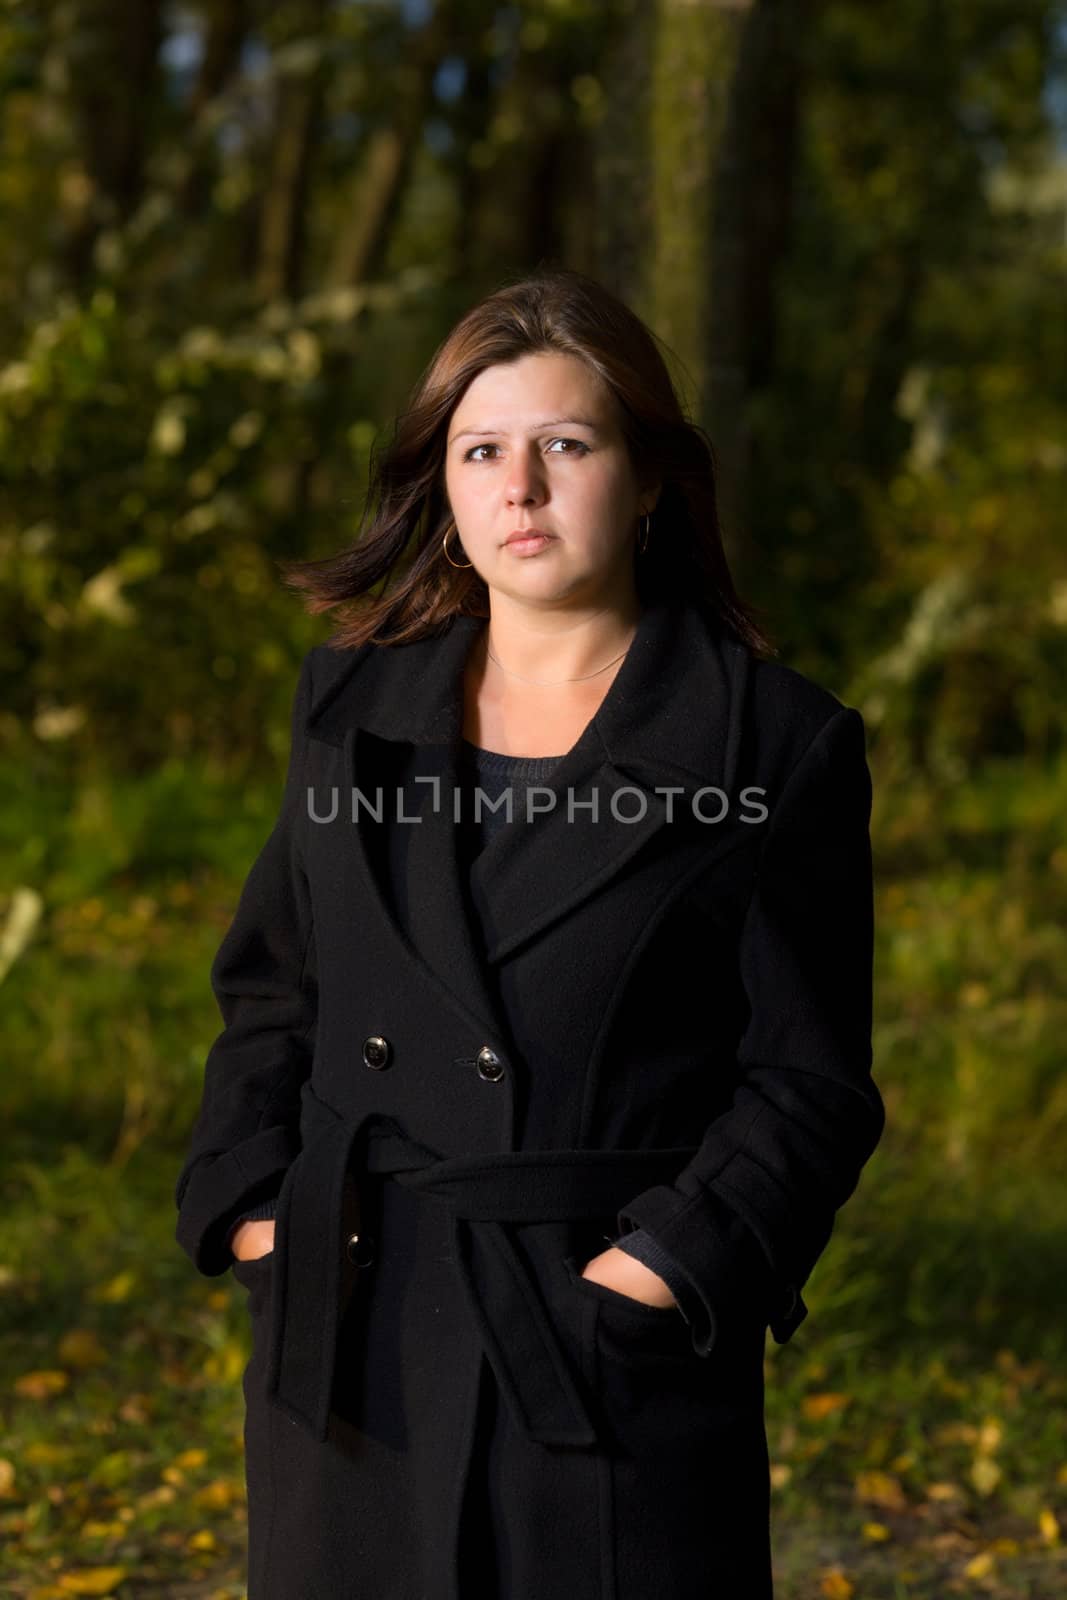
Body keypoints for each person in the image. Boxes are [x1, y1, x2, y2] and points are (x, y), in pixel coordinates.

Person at [174, 266, 885, 1600]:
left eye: (569, 444)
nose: (522, 489)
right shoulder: (350, 713)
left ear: (653, 477)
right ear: (442, 486)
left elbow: (809, 1082)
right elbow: (275, 992)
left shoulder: (774, 746)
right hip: (356, 1331)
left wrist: (665, 1269)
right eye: (482, 450)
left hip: (606, 1363)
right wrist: (252, 1207)